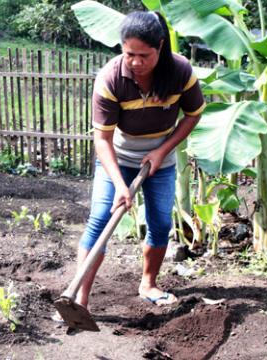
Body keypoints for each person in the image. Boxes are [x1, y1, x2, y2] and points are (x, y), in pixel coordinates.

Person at [63, 10, 205, 313]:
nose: (136, 62)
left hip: (160, 158)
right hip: (117, 158)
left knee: (160, 222)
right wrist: (119, 184)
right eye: (130, 54)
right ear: (121, 48)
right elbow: (102, 140)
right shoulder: (110, 79)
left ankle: (149, 284)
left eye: (145, 55)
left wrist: (162, 150)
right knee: (101, 219)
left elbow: (193, 114)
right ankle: (79, 301)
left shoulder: (180, 72)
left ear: (161, 47)